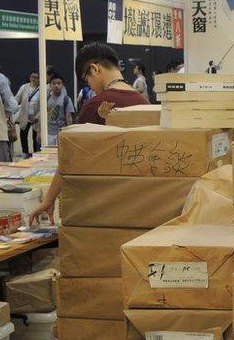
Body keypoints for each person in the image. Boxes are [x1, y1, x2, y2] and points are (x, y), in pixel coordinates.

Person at [30, 43, 149, 224]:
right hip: (140, 204)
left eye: (87, 80)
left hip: (102, 206)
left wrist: (48, 199)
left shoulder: (95, 106)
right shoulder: (144, 103)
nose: (91, 87)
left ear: (94, 69)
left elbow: (70, 157)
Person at [14, 71, 42, 157]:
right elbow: (17, 99)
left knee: (35, 136)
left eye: (36, 77)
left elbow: (43, 105)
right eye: (32, 77)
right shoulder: (24, 87)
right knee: (23, 134)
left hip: (36, 117)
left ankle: (35, 154)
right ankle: (25, 152)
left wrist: (37, 117)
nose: (33, 79)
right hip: (25, 116)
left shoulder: (42, 89)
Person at [46, 74, 75, 146]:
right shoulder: (46, 99)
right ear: (50, 85)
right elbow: (42, 116)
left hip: (62, 132)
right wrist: (39, 132)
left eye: (59, 83)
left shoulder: (66, 99)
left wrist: (69, 133)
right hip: (48, 133)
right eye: (53, 83)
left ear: (62, 85)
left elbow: (69, 117)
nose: (56, 86)